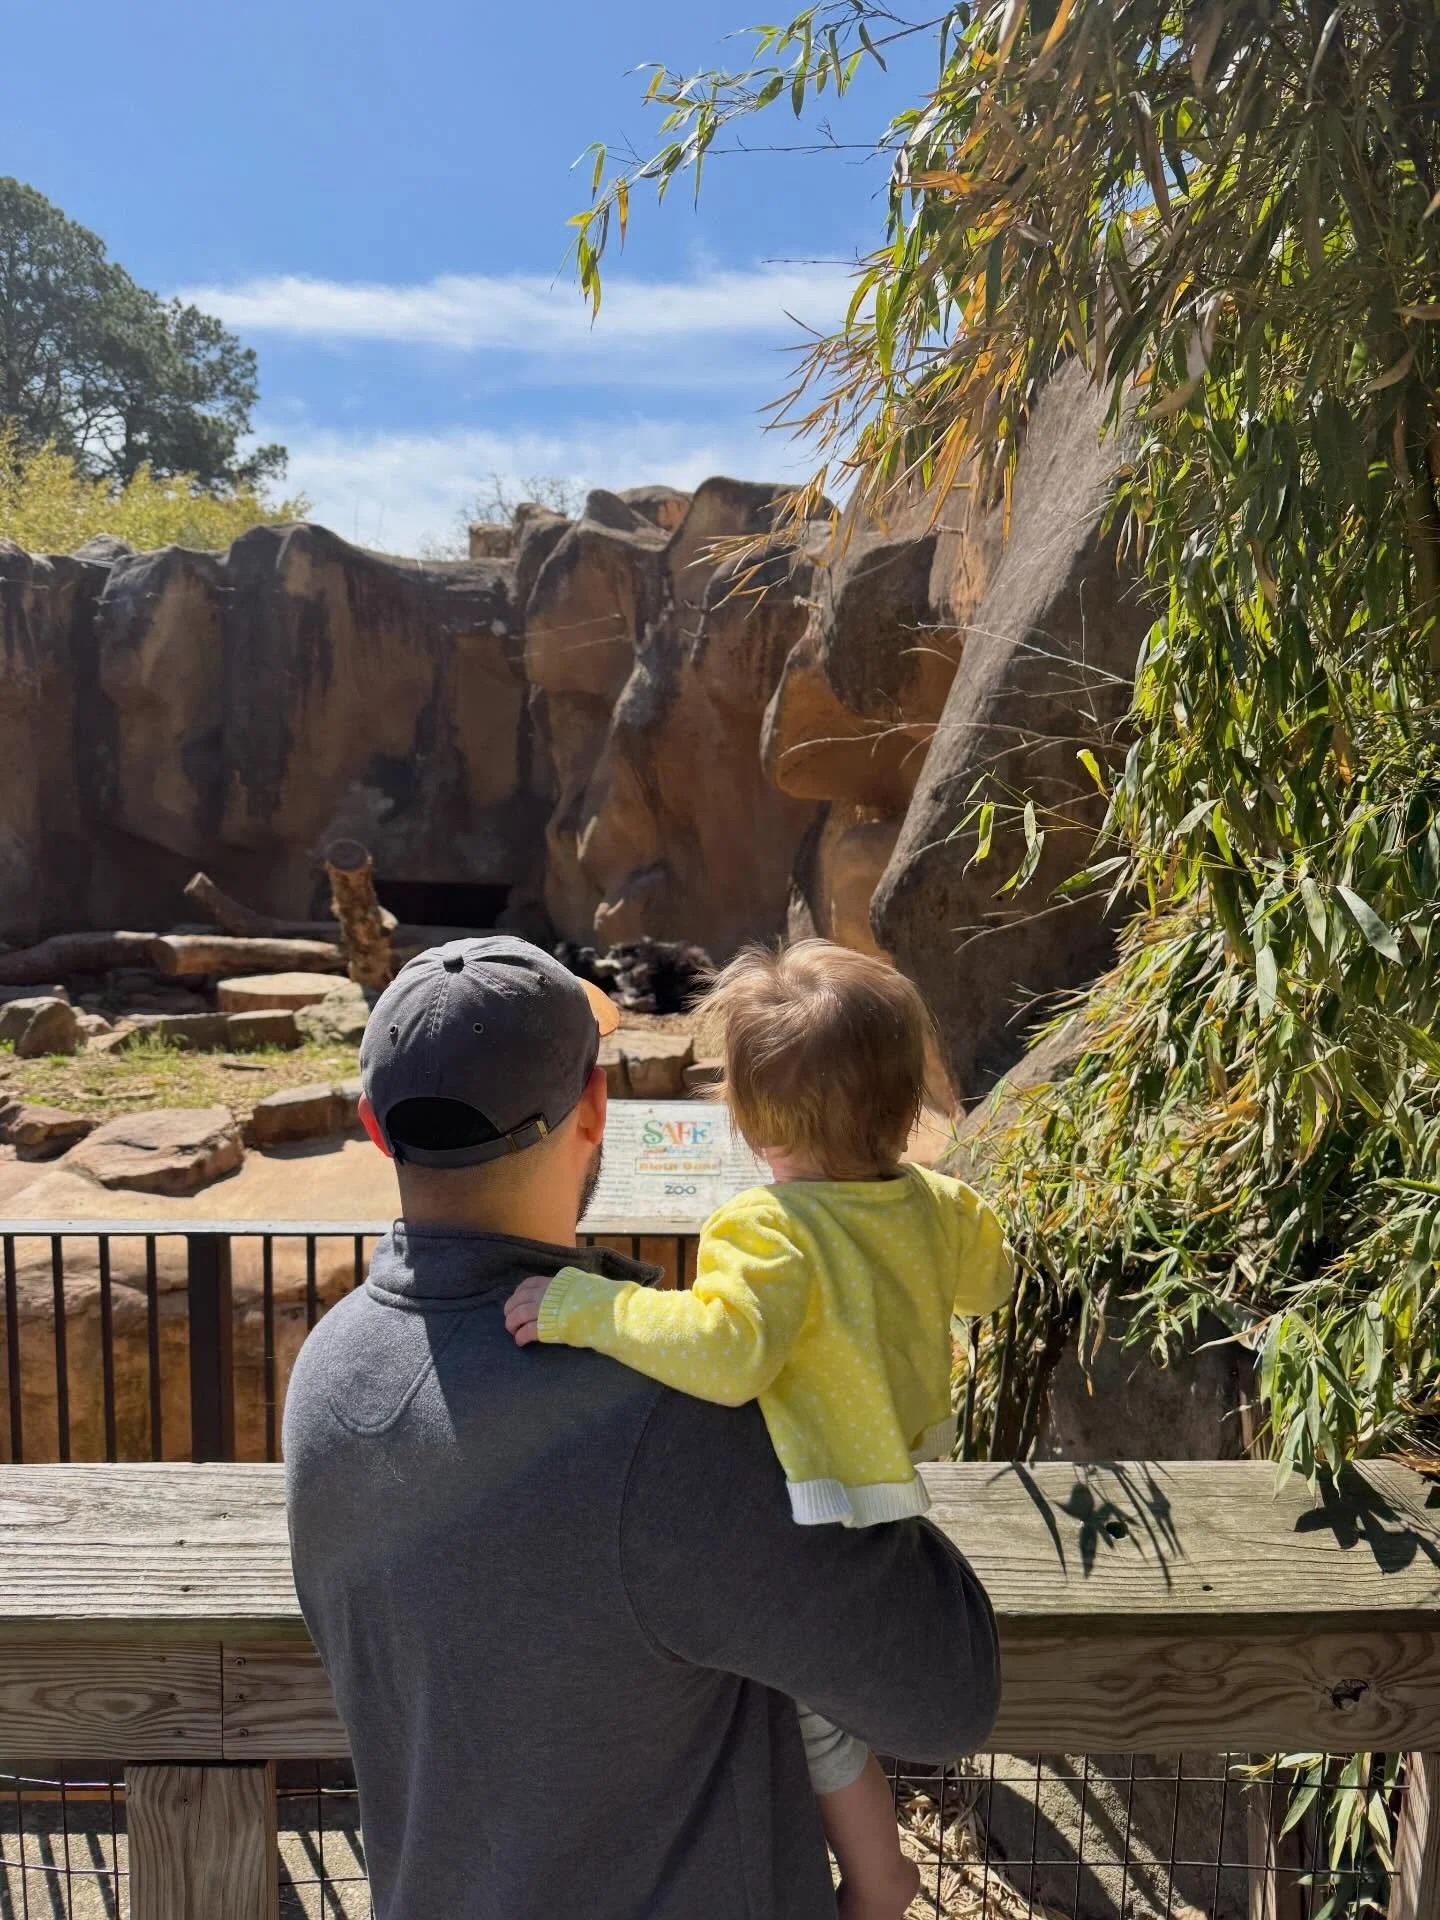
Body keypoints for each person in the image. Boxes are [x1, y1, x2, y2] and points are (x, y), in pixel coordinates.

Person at [284, 934, 1000, 1920]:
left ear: (371, 1123)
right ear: (594, 1109)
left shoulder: (324, 1376)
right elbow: (943, 1695)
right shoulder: (666, 1428)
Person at [504, 938, 1014, 1920]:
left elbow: (725, 1350)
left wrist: (583, 1307)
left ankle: (877, 1876)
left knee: (813, 1716)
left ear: (750, 1120)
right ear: (907, 1105)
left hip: (808, 1505)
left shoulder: (766, 1229)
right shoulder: (937, 1205)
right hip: (893, 1485)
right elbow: (995, 1280)